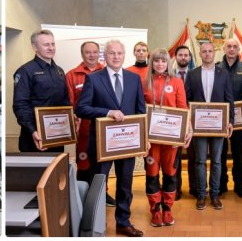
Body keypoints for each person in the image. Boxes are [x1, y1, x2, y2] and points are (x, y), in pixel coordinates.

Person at [75, 40, 147, 237]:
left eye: (119, 53)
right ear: (104, 56)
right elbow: (81, 108)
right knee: (98, 184)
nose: (116, 57)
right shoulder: (94, 79)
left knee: (125, 184)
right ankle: (93, 223)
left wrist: (144, 138)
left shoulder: (134, 79)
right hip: (101, 144)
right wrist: (107, 112)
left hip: (128, 144)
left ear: (125, 56)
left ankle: (123, 222)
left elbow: (141, 111)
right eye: (112, 53)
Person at [144, 49, 190, 227]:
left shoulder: (177, 82)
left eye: (163, 61)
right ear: (152, 63)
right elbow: (141, 110)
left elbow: (183, 108)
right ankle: (155, 210)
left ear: (168, 63)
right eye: (156, 61)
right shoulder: (144, 82)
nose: (160, 64)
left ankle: (168, 209)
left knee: (170, 173)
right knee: (152, 174)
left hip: (171, 139)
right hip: (151, 140)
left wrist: (187, 130)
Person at [185, 42, 234, 212]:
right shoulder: (192, 74)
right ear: (199, 53)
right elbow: (187, 100)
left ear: (215, 53)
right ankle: (201, 195)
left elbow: (230, 100)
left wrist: (230, 121)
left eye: (210, 51)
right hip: (198, 127)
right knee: (199, 161)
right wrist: (188, 124)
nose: (207, 54)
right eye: (204, 51)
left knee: (217, 161)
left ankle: (214, 194)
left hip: (218, 126)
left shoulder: (224, 74)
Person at [13, 29, 70, 152]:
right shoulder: (25, 71)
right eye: (46, 45)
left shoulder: (59, 71)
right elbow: (20, 105)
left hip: (57, 136)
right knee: (35, 171)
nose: (51, 48)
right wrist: (33, 130)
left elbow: (65, 101)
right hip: (34, 137)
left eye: (53, 44)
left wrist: (70, 119)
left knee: (57, 170)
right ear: (35, 47)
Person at [216, 38, 242, 197]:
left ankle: (239, 184)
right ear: (224, 49)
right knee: (220, 152)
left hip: (239, 119)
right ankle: (222, 184)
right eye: (229, 46)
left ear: (239, 50)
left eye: (234, 47)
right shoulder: (216, 68)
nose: (231, 49)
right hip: (220, 118)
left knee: (238, 153)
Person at [65, 41, 105, 183]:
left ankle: (101, 194)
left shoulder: (107, 72)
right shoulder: (71, 75)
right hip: (83, 130)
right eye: (88, 52)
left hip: (104, 129)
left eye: (95, 52)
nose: (92, 55)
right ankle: (81, 194)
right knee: (83, 163)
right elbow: (69, 103)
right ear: (82, 54)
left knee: (102, 165)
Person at [172, 45, 196, 200]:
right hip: (175, 122)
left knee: (194, 157)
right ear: (175, 57)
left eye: (186, 55)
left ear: (190, 58)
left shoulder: (196, 75)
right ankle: (176, 189)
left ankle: (194, 188)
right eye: (180, 55)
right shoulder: (169, 75)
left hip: (194, 122)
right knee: (175, 159)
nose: (183, 58)